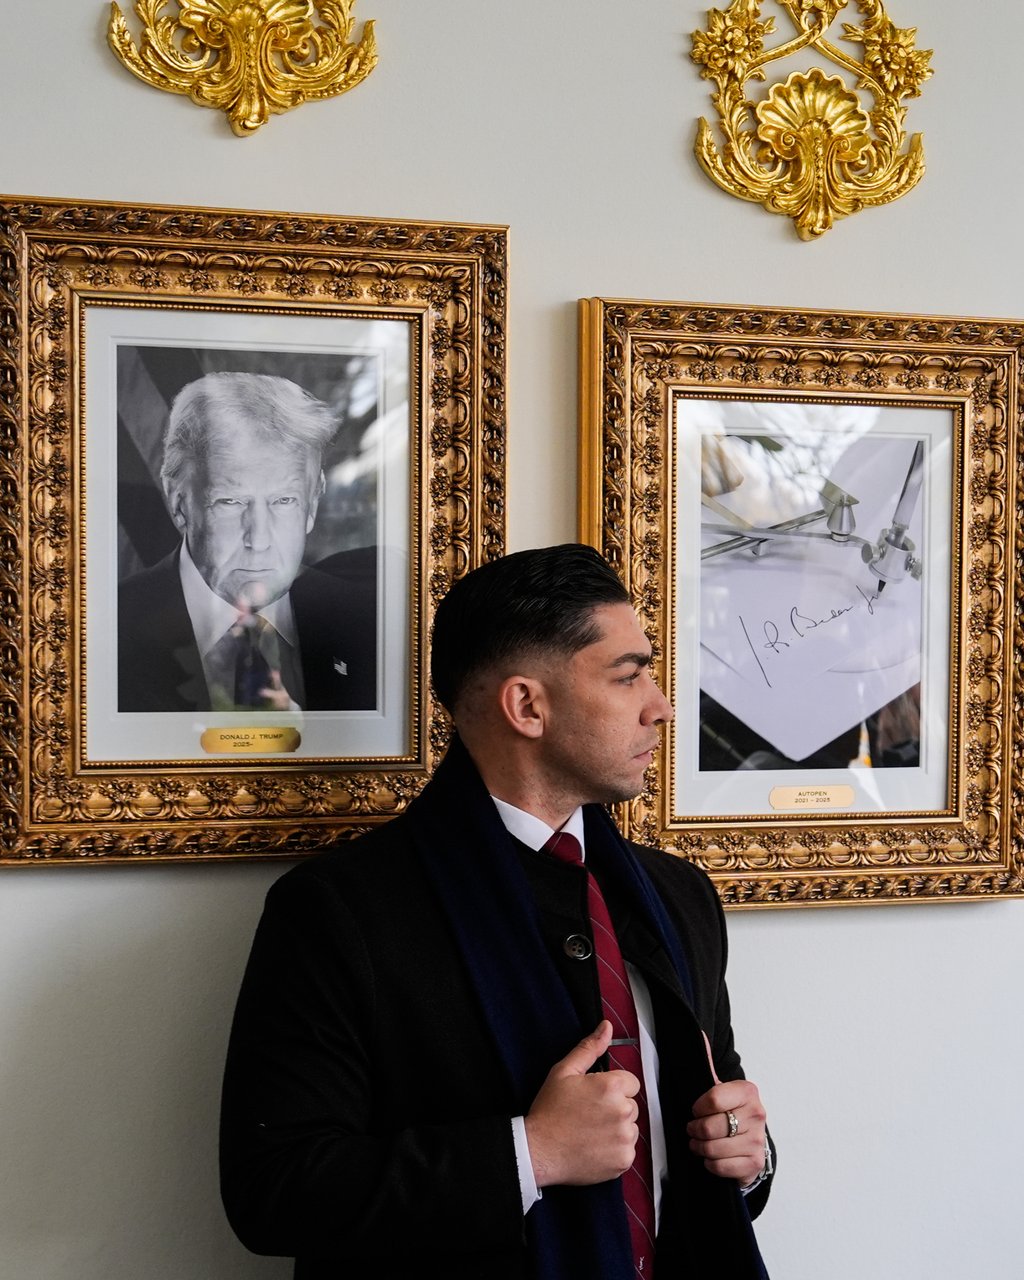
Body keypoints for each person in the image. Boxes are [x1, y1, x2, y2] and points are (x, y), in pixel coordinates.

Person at [219, 544, 774, 1279]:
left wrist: (749, 1156)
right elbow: (272, 1192)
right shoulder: (337, 910)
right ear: (526, 706)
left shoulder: (679, 895)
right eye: (629, 674)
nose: (660, 705)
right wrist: (531, 1153)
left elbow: (718, 1119)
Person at [117, 371, 377, 713]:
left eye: (284, 501)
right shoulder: (103, 626)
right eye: (230, 502)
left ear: (312, 505)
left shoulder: (368, 619)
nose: (259, 538)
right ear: (180, 506)